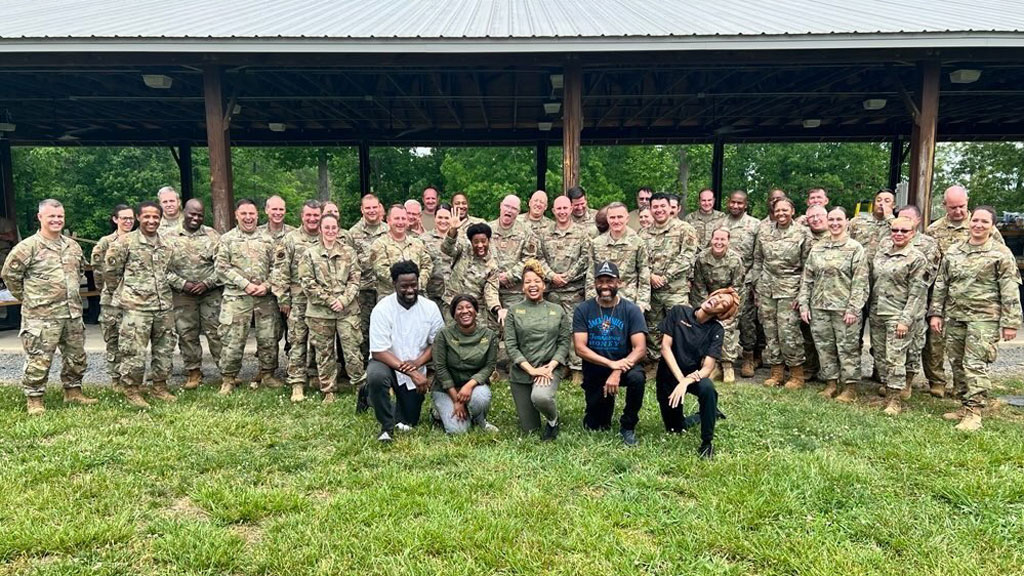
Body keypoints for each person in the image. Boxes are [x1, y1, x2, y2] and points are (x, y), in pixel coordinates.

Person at [929, 206, 1021, 431]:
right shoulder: (955, 251)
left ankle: (975, 411)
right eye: (976, 221)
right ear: (970, 223)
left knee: (975, 363)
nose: (978, 225)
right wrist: (936, 313)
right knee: (957, 362)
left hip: (984, 318)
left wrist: (1011, 322)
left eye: (984, 222)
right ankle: (964, 404)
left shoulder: (1000, 253)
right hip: (956, 315)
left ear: (992, 226)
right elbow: (942, 283)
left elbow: (1009, 289)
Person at [1, 199, 94, 414]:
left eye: (60, 216)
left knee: (76, 356)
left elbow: (78, 271)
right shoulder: (27, 247)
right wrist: (29, 297)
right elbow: (10, 275)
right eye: (51, 216)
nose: (56, 220)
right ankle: (35, 398)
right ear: (40, 217)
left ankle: (73, 391)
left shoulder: (72, 246)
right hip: (41, 316)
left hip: (71, 313)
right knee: (39, 359)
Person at [923, 186, 1007, 398]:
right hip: (944, 294)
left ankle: (968, 393)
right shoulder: (934, 230)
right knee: (937, 343)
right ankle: (937, 381)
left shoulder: (984, 226)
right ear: (944, 206)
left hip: (979, 301)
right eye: (953, 207)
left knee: (971, 352)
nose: (958, 211)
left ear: (968, 203)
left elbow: (1002, 265)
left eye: (962, 206)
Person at [105, 200, 177, 407]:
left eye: (155, 217)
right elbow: (111, 273)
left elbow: (169, 272)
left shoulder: (167, 244)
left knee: (164, 350)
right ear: (138, 217)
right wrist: (124, 295)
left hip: (163, 306)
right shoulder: (125, 242)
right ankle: (132, 391)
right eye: (147, 216)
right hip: (136, 308)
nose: (151, 220)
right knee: (133, 352)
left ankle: (159, 387)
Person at [367, 260, 445, 442]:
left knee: (409, 420)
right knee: (376, 377)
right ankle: (386, 428)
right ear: (394, 284)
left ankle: (369, 396)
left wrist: (417, 365)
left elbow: (438, 344)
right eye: (404, 286)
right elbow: (378, 351)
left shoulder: (430, 308)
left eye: (413, 285)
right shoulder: (382, 309)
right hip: (387, 362)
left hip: (416, 365)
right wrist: (411, 372)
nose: (410, 290)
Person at [573, 260, 648, 446]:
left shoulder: (631, 310)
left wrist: (617, 369)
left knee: (637, 379)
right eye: (600, 281)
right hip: (596, 367)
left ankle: (628, 426)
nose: (605, 285)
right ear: (595, 284)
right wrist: (609, 365)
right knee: (596, 424)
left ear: (619, 282)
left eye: (609, 280)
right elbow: (580, 348)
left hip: (625, 366)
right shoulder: (583, 309)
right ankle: (599, 410)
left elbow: (640, 348)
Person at [659, 288, 740, 459]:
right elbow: (665, 347)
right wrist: (680, 380)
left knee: (708, 388)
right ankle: (707, 414)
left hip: (693, 377)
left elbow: (708, 368)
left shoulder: (716, 330)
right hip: (669, 375)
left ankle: (707, 443)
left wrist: (686, 381)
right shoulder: (679, 311)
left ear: (722, 313)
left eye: (723, 304)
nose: (717, 301)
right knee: (675, 428)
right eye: (717, 296)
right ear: (711, 295)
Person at [798, 207, 869, 400]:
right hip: (819, 307)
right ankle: (831, 383)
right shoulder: (818, 247)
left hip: (844, 309)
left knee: (847, 348)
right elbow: (807, 279)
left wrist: (854, 308)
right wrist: (804, 305)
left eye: (839, 219)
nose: (835, 223)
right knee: (824, 347)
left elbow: (860, 281)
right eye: (831, 220)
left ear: (847, 221)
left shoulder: (855, 248)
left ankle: (849, 387)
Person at [215, 198, 281, 394]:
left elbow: (278, 268)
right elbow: (221, 267)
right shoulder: (227, 239)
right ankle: (228, 378)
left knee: (269, 338)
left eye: (251, 213)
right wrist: (246, 284)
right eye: (243, 213)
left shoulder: (268, 240)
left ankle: (267, 375)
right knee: (232, 340)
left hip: (264, 299)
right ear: (236, 215)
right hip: (237, 298)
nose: (248, 217)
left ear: (257, 215)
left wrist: (267, 286)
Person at [298, 213, 364, 403]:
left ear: (338, 229)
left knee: (352, 349)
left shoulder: (348, 252)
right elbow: (307, 283)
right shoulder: (309, 254)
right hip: (320, 313)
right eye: (326, 228)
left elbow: (355, 279)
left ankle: (360, 385)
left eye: (333, 227)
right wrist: (329, 300)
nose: (330, 231)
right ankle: (328, 389)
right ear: (320, 229)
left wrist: (343, 300)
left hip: (347, 310)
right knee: (324, 352)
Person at [870, 217, 930, 415]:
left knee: (895, 357)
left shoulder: (917, 258)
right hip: (878, 312)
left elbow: (917, 293)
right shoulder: (882, 253)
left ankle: (895, 400)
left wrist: (905, 320)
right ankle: (887, 393)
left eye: (904, 231)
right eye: (895, 230)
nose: (899, 234)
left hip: (899, 315)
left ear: (913, 233)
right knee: (879, 356)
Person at [505, 260, 570, 439]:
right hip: (522, 372)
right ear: (522, 287)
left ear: (544, 284)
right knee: (530, 430)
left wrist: (549, 367)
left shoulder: (557, 310)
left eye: (536, 281)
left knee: (541, 397)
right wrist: (532, 370)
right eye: (527, 282)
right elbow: (511, 345)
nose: (532, 285)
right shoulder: (513, 311)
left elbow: (564, 342)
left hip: (548, 369)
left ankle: (553, 420)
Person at [753, 197, 811, 388]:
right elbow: (758, 260)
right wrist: (757, 285)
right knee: (770, 331)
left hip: (790, 289)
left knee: (789, 332)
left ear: (793, 211)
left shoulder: (803, 233)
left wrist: (802, 295)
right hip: (767, 288)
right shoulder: (764, 231)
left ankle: (796, 374)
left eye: (785, 210)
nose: (781, 214)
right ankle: (776, 372)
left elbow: (807, 268)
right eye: (778, 210)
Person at [166, 199, 222, 390]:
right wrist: (183, 284)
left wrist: (207, 283)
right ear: (184, 212)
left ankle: (226, 372)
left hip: (210, 293)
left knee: (217, 331)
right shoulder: (168, 237)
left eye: (199, 215)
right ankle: (193, 372)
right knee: (186, 333)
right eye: (192, 214)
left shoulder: (213, 235)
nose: (195, 218)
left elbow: (223, 265)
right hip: (182, 294)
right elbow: (161, 268)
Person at [640, 193, 697, 379]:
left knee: (681, 328)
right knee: (654, 328)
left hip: (676, 290)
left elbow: (687, 257)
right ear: (650, 209)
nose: (658, 210)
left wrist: (664, 277)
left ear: (670, 207)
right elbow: (639, 261)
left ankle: (682, 366)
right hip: (653, 291)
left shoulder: (684, 229)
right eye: (654, 207)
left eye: (662, 206)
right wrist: (650, 276)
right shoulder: (644, 233)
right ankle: (656, 364)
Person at [271, 200, 323, 401]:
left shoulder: (326, 236)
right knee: (297, 340)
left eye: (316, 215)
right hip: (298, 299)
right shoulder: (290, 239)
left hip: (319, 299)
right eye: (308, 215)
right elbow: (280, 271)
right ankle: (297, 383)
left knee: (321, 341)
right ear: (302, 216)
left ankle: (318, 377)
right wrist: (284, 299)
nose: (312, 219)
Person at [540, 195, 590, 384]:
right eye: (558, 208)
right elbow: (539, 256)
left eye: (565, 208)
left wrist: (568, 276)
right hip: (552, 290)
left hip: (574, 290)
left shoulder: (582, 233)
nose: (561, 212)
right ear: (553, 211)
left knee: (574, 329)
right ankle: (558, 365)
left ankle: (577, 367)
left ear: (571, 209)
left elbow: (585, 258)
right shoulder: (544, 233)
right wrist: (552, 275)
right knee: (553, 329)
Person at [432, 294, 499, 434]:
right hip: (447, 389)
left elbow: (489, 366)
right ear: (454, 314)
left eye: (469, 307)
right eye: (459, 308)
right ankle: (437, 413)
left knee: (481, 397)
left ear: (476, 311)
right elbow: (440, 368)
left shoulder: (489, 335)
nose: (464, 311)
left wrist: (469, 385)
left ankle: (480, 420)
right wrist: (456, 400)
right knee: (458, 431)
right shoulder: (443, 335)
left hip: (473, 387)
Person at [692, 228, 745, 382]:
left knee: (726, 327)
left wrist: (726, 308)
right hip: (707, 300)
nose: (719, 242)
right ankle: (712, 365)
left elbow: (737, 288)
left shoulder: (735, 260)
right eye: (716, 239)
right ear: (711, 239)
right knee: (704, 326)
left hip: (728, 301)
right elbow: (699, 285)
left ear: (728, 241)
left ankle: (728, 366)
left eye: (723, 240)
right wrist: (707, 308)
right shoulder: (702, 258)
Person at [348, 194, 389, 390]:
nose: (372, 211)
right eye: (368, 208)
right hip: (363, 289)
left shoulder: (388, 230)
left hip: (384, 289)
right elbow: (348, 262)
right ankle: (366, 373)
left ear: (380, 208)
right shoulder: (353, 233)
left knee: (386, 330)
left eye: (375, 207)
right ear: (362, 210)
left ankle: (387, 369)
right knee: (362, 331)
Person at [91, 204, 134, 387]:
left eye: (131, 218)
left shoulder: (138, 240)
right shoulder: (106, 242)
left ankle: (131, 378)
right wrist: (109, 290)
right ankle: (116, 380)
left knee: (132, 340)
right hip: (112, 300)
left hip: (134, 299)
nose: (128, 221)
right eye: (124, 218)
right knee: (114, 339)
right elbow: (98, 271)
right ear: (115, 219)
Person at [721, 190, 760, 377]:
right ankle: (721, 359)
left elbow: (759, 256)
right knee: (724, 320)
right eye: (733, 202)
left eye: (740, 203)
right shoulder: (720, 223)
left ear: (746, 204)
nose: (735, 206)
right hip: (723, 282)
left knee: (747, 323)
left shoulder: (754, 225)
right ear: (728, 202)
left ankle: (748, 358)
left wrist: (752, 280)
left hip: (746, 282)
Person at [587, 202, 651, 314]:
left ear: (627, 218)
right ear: (607, 219)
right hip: (602, 300)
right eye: (612, 217)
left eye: (620, 217)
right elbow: (591, 275)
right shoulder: (596, 243)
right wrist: (591, 302)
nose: (616, 221)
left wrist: (641, 304)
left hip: (629, 301)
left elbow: (644, 275)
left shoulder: (638, 242)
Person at [443, 220, 501, 325]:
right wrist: (453, 230)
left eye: (483, 241)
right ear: (471, 242)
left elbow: (491, 291)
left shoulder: (492, 266)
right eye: (476, 242)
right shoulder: (463, 249)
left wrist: (497, 308)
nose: (480, 245)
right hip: (451, 305)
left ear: (489, 241)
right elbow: (447, 249)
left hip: (473, 311)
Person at [370, 204, 433, 301]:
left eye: (403, 218)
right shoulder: (379, 244)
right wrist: (405, 286)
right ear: (388, 220)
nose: (400, 222)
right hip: (390, 298)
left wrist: (417, 284)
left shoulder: (417, 243)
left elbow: (427, 265)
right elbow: (381, 271)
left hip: (416, 296)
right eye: (396, 218)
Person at [421, 203, 454, 309]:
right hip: (431, 294)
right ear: (435, 218)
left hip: (453, 294)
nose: (443, 221)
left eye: (446, 218)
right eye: (440, 217)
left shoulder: (460, 239)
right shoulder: (423, 239)